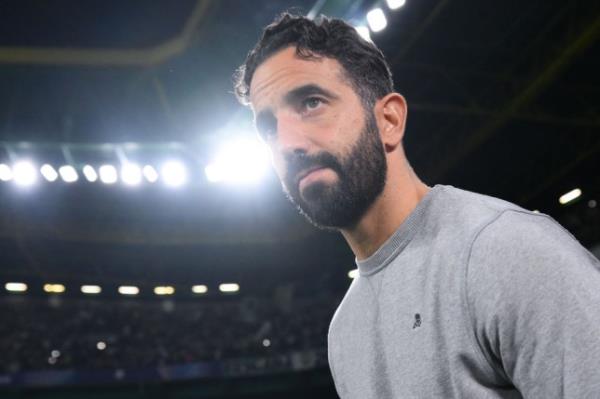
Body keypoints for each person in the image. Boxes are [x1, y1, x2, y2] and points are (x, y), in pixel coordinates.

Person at [233, 13, 600, 398]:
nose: (287, 143)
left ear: (389, 119)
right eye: (269, 127)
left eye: (311, 102)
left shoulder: (505, 250)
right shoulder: (344, 331)